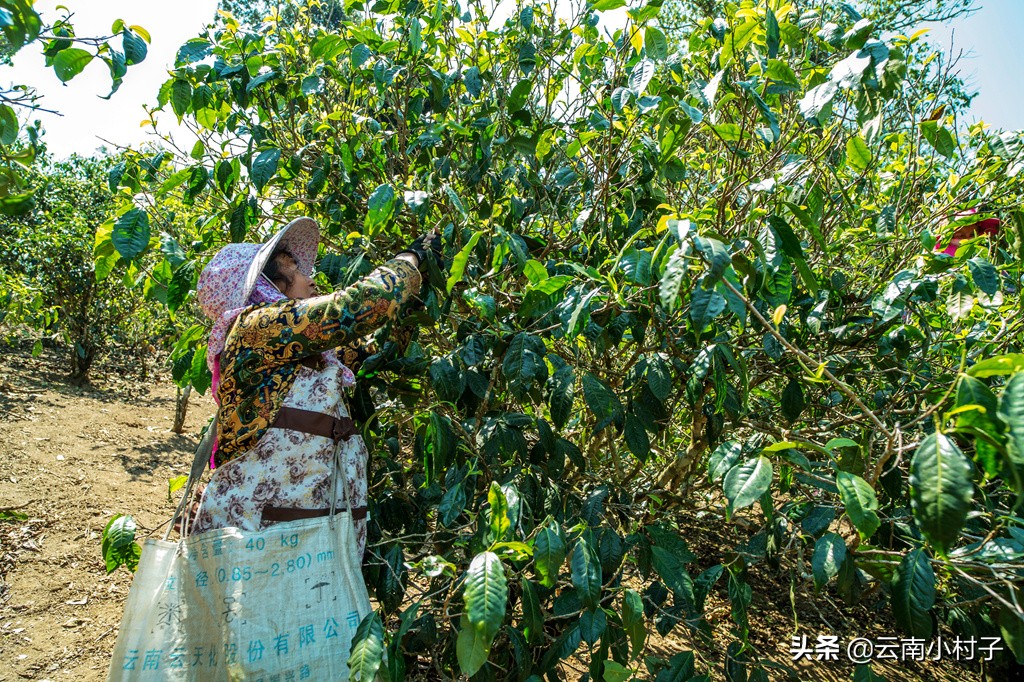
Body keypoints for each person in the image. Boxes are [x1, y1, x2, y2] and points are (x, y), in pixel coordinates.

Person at [189, 216, 439, 562]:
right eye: (295, 268)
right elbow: (354, 308)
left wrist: (416, 292)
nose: (311, 279)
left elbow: (375, 352)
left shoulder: (311, 354)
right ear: (269, 284)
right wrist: (409, 260)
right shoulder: (258, 327)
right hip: (261, 536)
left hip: (299, 532)